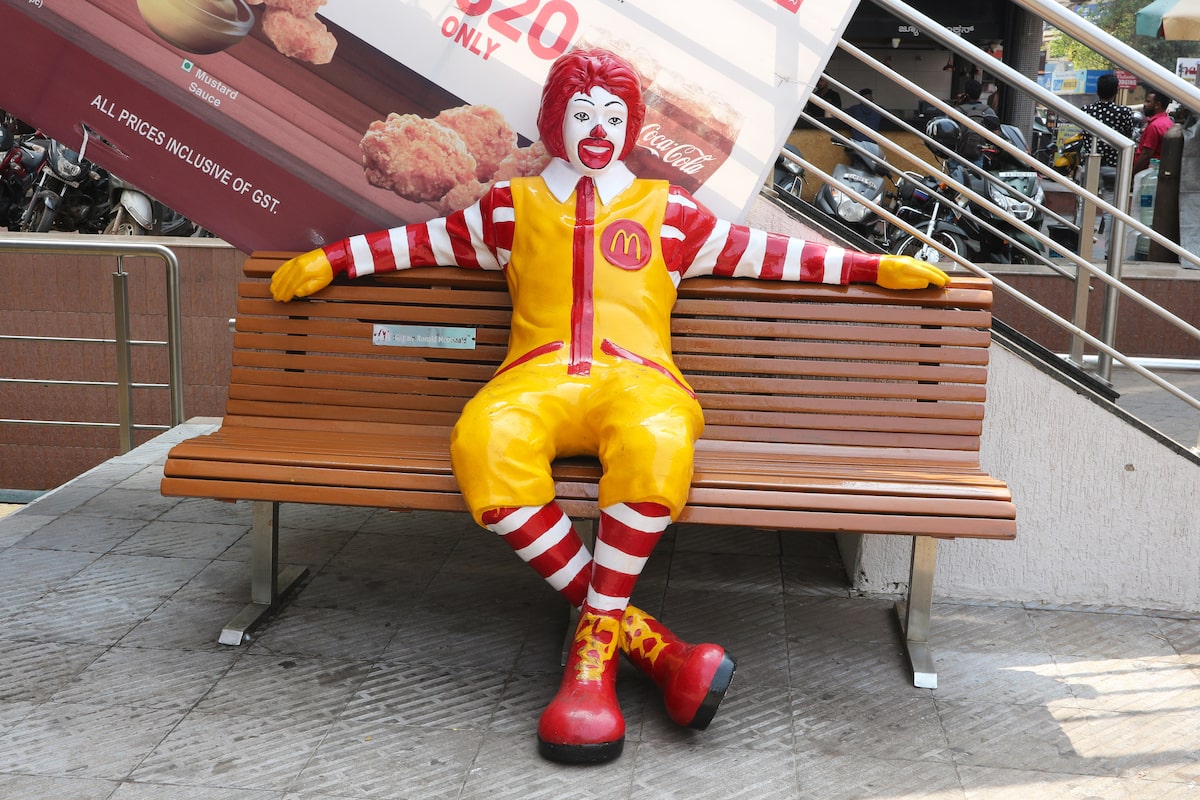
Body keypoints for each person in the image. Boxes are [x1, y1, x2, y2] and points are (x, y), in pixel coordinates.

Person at [270, 47, 948, 765]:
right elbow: (420, 240)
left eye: (614, 116)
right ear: (556, 120)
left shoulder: (672, 213)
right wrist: (334, 262)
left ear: (633, 127)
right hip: (531, 380)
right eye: (583, 113)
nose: (598, 129)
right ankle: (650, 648)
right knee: (483, 441)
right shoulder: (508, 207)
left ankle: (590, 664)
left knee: (657, 445)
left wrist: (873, 268)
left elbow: (771, 253)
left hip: (642, 383)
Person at [1080, 73, 1134, 253]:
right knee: (1111, 211)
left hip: (1090, 164)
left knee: (1085, 206)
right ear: (1116, 91)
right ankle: (1109, 252)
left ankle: (1081, 246)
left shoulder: (1087, 110)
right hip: (1112, 166)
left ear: (1097, 90)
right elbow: (1128, 136)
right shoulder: (1123, 112)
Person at [955, 79, 999, 168]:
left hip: (959, 154)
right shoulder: (988, 111)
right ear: (980, 93)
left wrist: (958, 103)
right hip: (980, 154)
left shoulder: (958, 111)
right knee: (977, 178)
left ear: (966, 94)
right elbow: (996, 133)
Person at [1134, 88, 1174, 173]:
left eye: (1148, 102)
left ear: (1157, 105)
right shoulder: (1168, 122)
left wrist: (1132, 174)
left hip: (1147, 175)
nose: (1144, 105)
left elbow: (1146, 155)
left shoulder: (1154, 126)